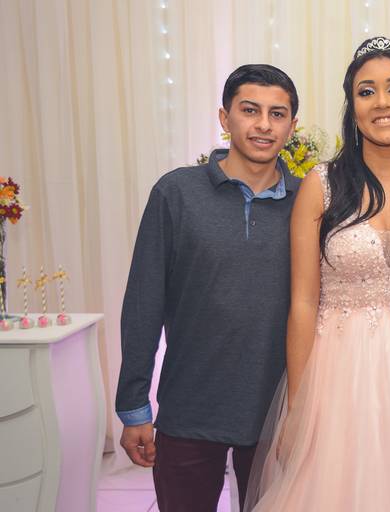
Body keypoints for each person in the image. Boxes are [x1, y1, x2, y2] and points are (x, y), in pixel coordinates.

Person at [244, 37, 390, 511]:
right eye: (366, 91)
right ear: (352, 108)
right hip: (337, 371)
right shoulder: (322, 185)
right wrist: (297, 408)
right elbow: (302, 303)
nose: (382, 103)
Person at [115, 64, 301, 511]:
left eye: (277, 114)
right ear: (224, 117)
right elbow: (143, 302)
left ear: (292, 126)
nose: (263, 125)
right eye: (250, 110)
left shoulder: (308, 201)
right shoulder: (176, 193)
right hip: (190, 407)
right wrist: (134, 406)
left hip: (276, 414)